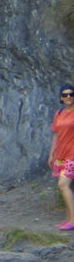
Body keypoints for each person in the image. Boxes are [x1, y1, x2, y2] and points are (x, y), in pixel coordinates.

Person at [49, 83, 74, 230]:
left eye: (71, 94)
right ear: (61, 98)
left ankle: (73, 221)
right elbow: (56, 134)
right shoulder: (59, 113)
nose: (69, 97)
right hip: (61, 155)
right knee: (68, 187)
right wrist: (52, 153)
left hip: (72, 154)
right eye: (65, 95)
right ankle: (68, 218)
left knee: (63, 184)